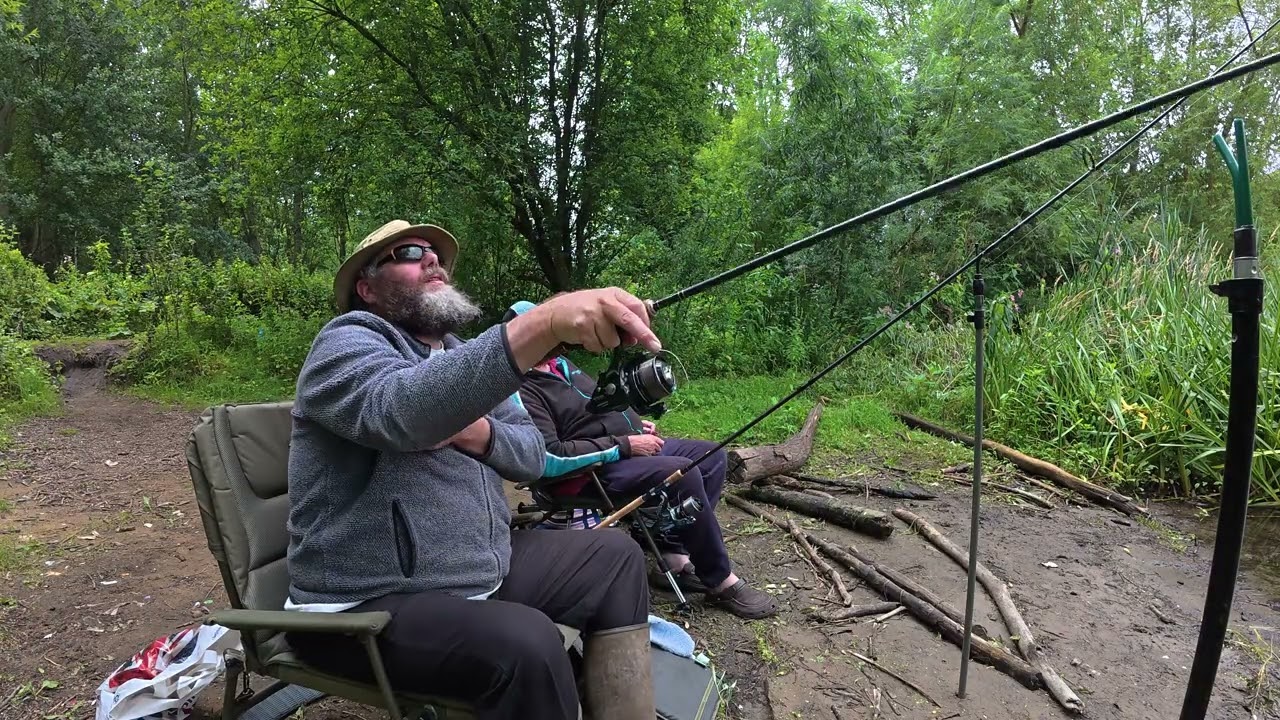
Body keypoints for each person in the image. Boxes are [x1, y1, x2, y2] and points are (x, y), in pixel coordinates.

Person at [282, 219, 662, 720]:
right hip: (362, 605)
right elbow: (401, 411)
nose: (432, 259)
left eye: (436, 253)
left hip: (477, 571)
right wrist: (543, 323)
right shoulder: (346, 341)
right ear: (367, 287)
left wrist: (473, 429)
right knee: (529, 644)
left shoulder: (464, 357)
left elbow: (531, 454)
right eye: (411, 252)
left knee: (615, 558)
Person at [507, 301, 780, 620]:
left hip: (626, 449)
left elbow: (602, 402)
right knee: (682, 473)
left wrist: (636, 423)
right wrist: (625, 444)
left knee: (711, 457)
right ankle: (720, 580)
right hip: (588, 473)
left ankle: (672, 556)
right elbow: (549, 456)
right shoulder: (521, 387)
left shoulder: (562, 365)